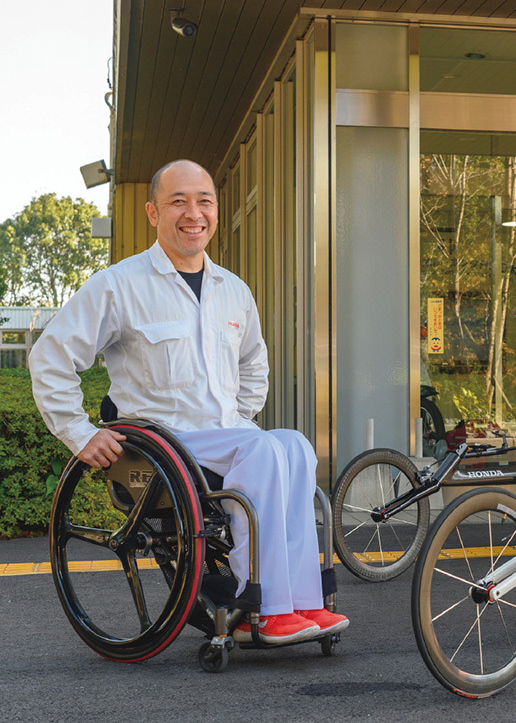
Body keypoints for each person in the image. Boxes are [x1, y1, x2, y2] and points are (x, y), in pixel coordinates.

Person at [30, 159, 348, 645]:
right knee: (264, 450)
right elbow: (51, 355)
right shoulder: (120, 285)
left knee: (295, 445)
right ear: (153, 212)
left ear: (216, 210)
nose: (193, 213)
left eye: (204, 201)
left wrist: (238, 420)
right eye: (178, 201)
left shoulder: (233, 291)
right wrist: (79, 432)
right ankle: (263, 607)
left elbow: (254, 366)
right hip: (162, 444)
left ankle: (304, 602)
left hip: (223, 436)